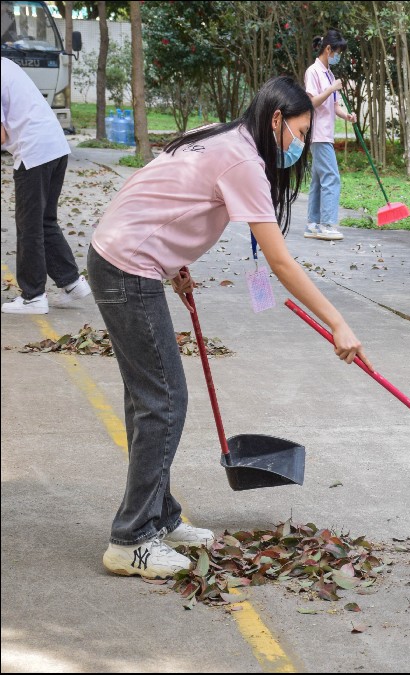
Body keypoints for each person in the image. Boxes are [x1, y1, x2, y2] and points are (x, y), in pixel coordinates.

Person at [88, 75, 372, 580]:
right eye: (300, 133)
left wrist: (172, 260)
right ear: (277, 120)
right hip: (127, 268)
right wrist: (338, 324)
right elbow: (281, 264)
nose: (300, 145)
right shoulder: (243, 161)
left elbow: (162, 194)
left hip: (126, 258)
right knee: (164, 401)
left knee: (149, 399)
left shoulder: (222, 134)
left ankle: (159, 515)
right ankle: (131, 539)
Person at [0, 57, 92, 314]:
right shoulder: (6, 64)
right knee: (44, 220)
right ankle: (72, 283)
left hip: (34, 151)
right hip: (55, 146)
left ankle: (33, 297)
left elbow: (1, 135)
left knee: (29, 225)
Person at [302, 28, 356, 241]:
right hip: (318, 134)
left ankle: (313, 224)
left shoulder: (329, 74)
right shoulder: (313, 72)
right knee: (332, 178)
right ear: (328, 49)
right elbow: (311, 102)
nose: (338, 56)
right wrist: (331, 88)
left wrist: (347, 116)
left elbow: (334, 106)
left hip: (326, 134)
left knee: (318, 180)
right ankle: (327, 224)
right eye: (337, 52)